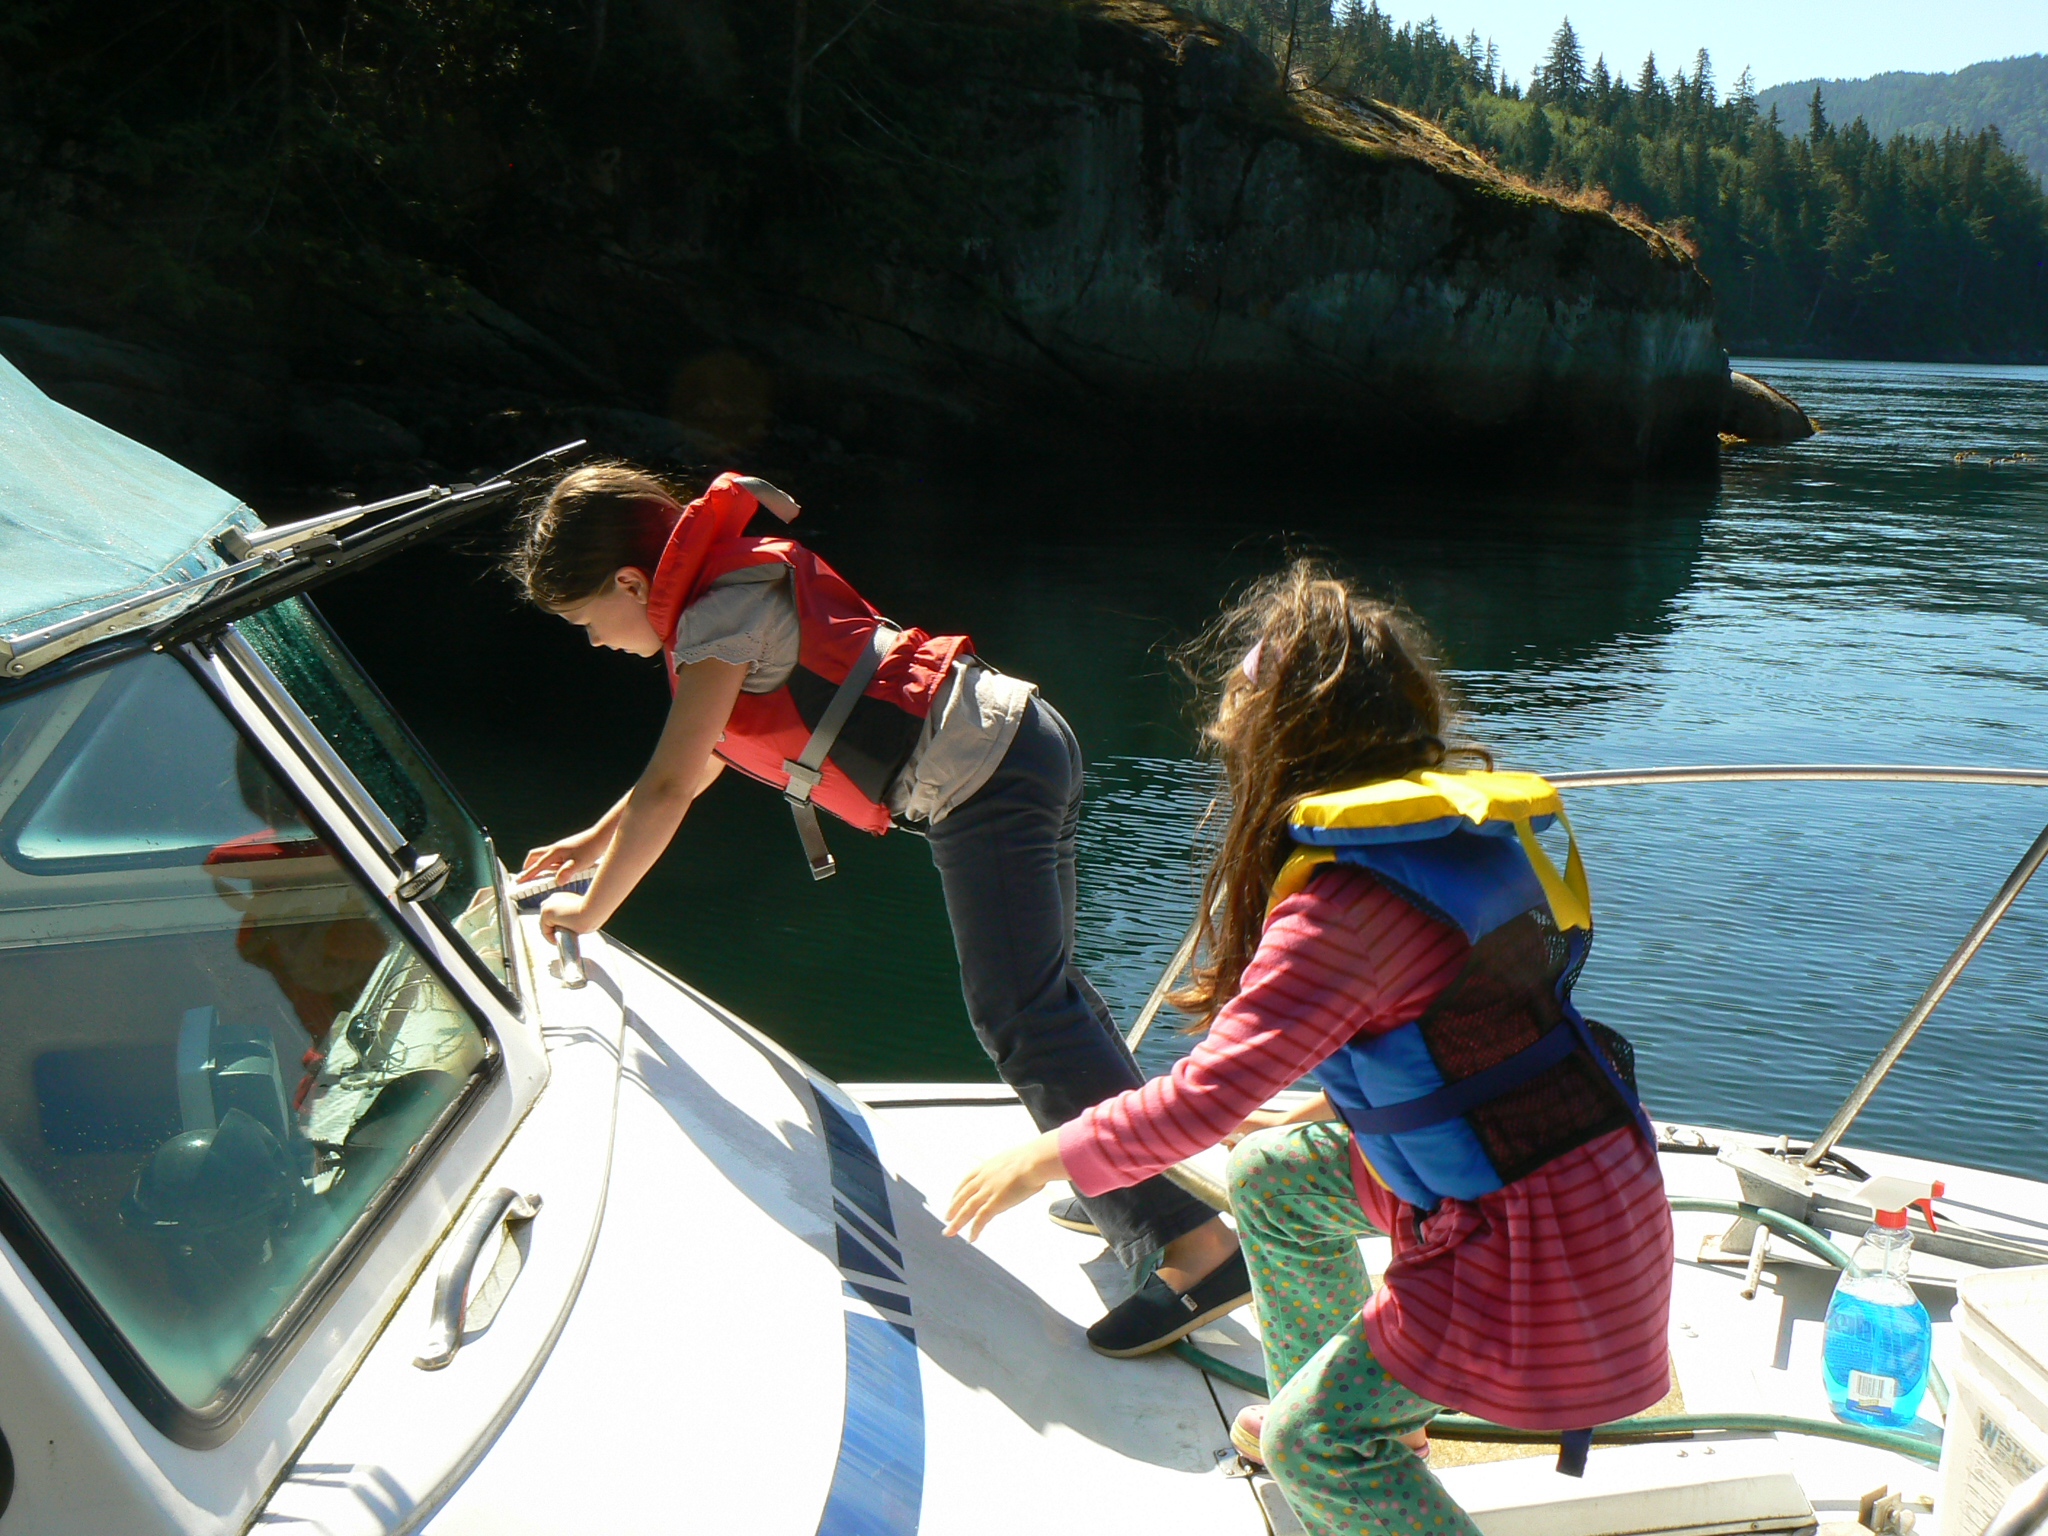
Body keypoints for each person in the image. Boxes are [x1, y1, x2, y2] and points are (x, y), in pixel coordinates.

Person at [944, 561, 1675, 1536]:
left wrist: (1043, 1156)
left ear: (1284, 735)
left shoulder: (1341, 911)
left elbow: (1198, 1103)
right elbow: (1469, 1033)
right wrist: (1339, 1105)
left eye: (1238, 706)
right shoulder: (1459, 845)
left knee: (1312, 1449)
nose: (1221, 727)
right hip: (1590, 1186)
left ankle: (1343, 1441)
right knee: (1273, 1176)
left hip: (1525, 1251)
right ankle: (1361, 1415)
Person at [505, 462, 1245, 1349]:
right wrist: (595, 842)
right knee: (1048, 995)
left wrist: (589, 912)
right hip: (1023, 741)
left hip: (989, 780)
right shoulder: (726, 596)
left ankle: (1194, 1246)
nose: (594, 642)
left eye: (587, 622)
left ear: (632, 584)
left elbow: (669, 785)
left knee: (1018, 1010)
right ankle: (1124, 1177)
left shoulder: (715, 618)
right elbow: (701, 763)